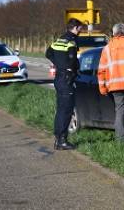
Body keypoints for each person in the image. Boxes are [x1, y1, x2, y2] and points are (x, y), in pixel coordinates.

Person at [46, 18, 83, 150]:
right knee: (67, 110)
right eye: (80, 28)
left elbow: (48, 53)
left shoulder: (59, 40)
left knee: (61, 109)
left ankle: (58, 138)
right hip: (67, 79)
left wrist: (58, 64)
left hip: (59, 78)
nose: (81, 31)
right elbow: (73, 59)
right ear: (75, 28)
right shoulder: (72, 41)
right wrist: (69, 67)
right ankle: (62, 140)